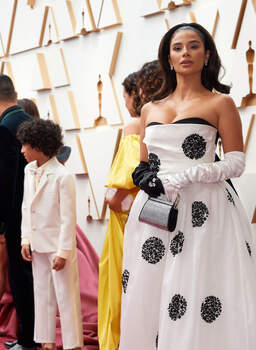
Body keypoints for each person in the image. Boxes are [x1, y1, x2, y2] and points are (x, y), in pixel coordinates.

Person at [118, 23, 256, 350]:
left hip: (205, 211)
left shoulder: (220, 104)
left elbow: (236, 163)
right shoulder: (150, 109)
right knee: (149, 289)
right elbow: (142, 164)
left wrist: (192, 174)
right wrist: (144, 179)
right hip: (155, 212)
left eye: (193, 46)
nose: (185, 53)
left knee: (198, 284)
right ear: (168, 57)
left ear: (207, 54)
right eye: (178, 47)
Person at [98, 64, 163, 350]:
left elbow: (127, 176)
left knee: (119, 282)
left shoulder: (134, 125)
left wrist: (112, 200)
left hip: (128, 213)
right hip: (156, 211)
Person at [17, 119, 83, 350]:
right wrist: (25, 238)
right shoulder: (28, 170)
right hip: (37, 244)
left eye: (26, 145)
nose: (22, 150)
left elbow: (68, 218)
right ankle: (46, 342)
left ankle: (73, 343)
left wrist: (64, 251)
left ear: (39, 145)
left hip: (58, 247)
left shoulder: (63, 176)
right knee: (42, 294)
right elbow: (26, 206)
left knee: (66, 297)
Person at [0, 75, 36, 350]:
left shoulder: (4, 127)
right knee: (32, 279)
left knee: (20, 278)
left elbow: (6, 180)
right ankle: (31, 337)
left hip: (16, 215)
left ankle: (26, 340)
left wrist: (3, 222)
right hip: (37, 212)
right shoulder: (31, 121)